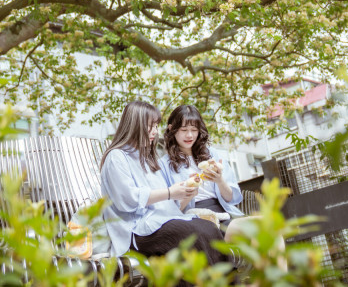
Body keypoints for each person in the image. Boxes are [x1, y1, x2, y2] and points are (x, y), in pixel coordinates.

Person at [99, 100, 229, 269]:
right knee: (189, 234)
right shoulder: (116, 157)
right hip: (135, 232)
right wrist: (169, 192)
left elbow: (167, 204)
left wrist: (185, 192)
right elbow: (128, 200)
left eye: (156, 126)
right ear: (135, 125)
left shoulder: (147, 159)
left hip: (160, 222)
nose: (154, 132)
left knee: (209, 228)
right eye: (150, 126)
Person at [161, 104, 246, 241]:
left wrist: (219, 180)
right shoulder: (164, 165)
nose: (189, 135)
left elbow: (233, 198)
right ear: (172, 129)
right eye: (184, 130)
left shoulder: (212, 155)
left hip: (224, 213)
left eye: (194, 130)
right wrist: (188, 193)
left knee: (267, 229)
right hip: (194, 219)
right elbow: (169, 212)